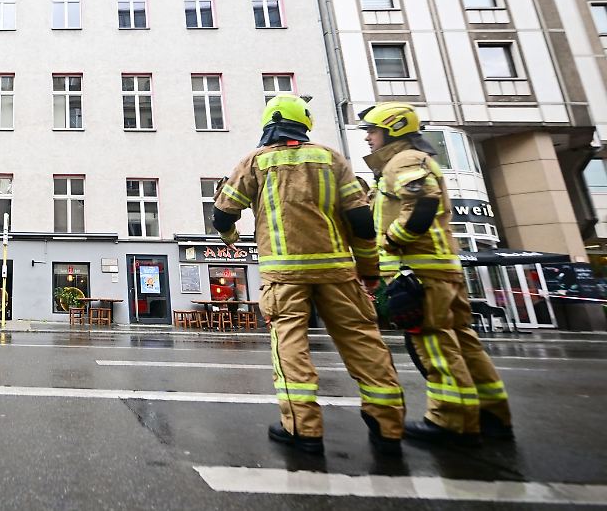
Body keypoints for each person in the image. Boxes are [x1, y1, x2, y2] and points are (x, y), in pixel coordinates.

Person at [214, 95, 404, 455]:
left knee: (290, 347)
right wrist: (369, 273)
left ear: (269, 124)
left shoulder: (256, 162)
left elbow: (223, 213)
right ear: (305, 125)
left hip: (284, 275)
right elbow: (362, 222)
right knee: (364, 343)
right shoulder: (332, 159)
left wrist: (231, 238)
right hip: (338, 271)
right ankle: (388, 425)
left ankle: (303, 429)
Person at [358, 102, 511, 446]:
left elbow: (421, 206)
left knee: (436, 346)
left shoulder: (405, 161)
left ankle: (452, 421)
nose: (368, 137)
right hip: (439, 269)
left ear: (393, 130)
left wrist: (392, 242)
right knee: (465, 343)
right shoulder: (410, 162)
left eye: (373, 130)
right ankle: (491, 413)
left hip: (421, 273)